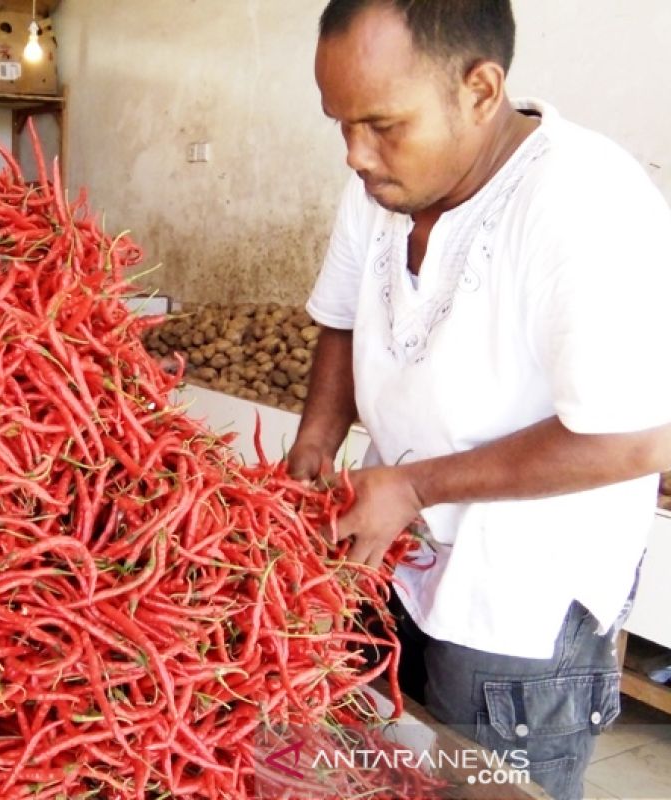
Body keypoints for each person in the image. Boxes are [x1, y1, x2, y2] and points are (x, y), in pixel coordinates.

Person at [288, 2, 671, 798]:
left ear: (480, 89)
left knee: (481, 789)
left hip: (518, 612)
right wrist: (317, 444)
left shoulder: (584, 202)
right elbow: (341, 317)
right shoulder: (381, 185)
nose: (355, 154)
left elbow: (638, 441)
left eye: (382, 124)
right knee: (370, 768)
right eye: (341, 124)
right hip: (393, 566)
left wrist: (417, 484)